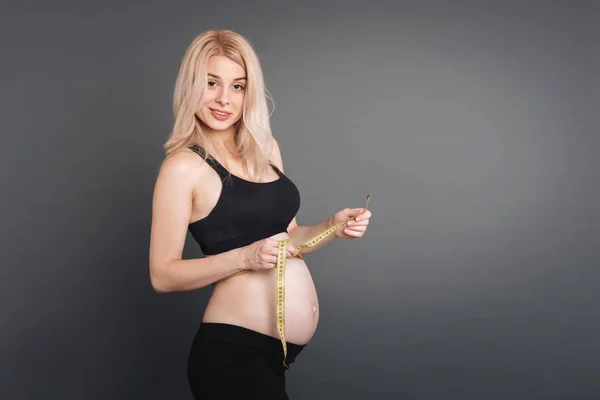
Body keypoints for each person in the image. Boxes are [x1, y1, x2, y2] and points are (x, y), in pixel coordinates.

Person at [148, 29, 372, 400]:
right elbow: (162, 275)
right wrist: (244, 258)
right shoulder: (183, 167)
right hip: (232, 354)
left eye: (238, 86)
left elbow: (286, 237)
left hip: (274, 356)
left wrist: (331, 227)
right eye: (211, 83)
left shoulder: (266, 149)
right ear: (190, 86)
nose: (224, 99)